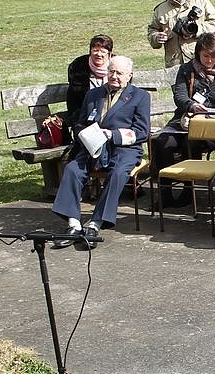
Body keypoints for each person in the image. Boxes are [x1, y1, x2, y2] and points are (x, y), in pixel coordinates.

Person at [51, 55, 150, 246]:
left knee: (118, 173)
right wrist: (85, 134)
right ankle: (74, 224)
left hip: (124, 148)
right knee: (72, 169)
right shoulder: (93, 94)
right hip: (93, 146)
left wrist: (112, 135)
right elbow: (80, 123)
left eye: (119, 73)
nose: (114, 76)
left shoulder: (140, 97)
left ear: (129, 75)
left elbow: (141, 132)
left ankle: (95, 223)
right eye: (111, 72)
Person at [152, 34, 215, 208]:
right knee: (161, 142)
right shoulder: (186, 70)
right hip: (184, 121)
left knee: (191, 143)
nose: (209, 60)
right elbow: (180, 96)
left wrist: (208, 113)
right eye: (205, 56)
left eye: (213, 56)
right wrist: (191, 106)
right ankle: (165, 193)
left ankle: (188, 191)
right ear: (198, 53)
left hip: (212, 126)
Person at [146, 0, 215, 68]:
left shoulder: (201, 2)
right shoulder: (160, 9)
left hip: (199, 62)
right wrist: (157, 37)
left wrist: (196, 30)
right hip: (174, 65)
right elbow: (152, 30)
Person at [66, 34, 114, 119]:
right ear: (90, 51)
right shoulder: (78, 68)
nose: (98, 54)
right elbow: (74, 101)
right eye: (95, 50)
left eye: (103, 51)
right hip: (85, 117)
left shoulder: (117, 67)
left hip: (113, 116)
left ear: (109, 54)